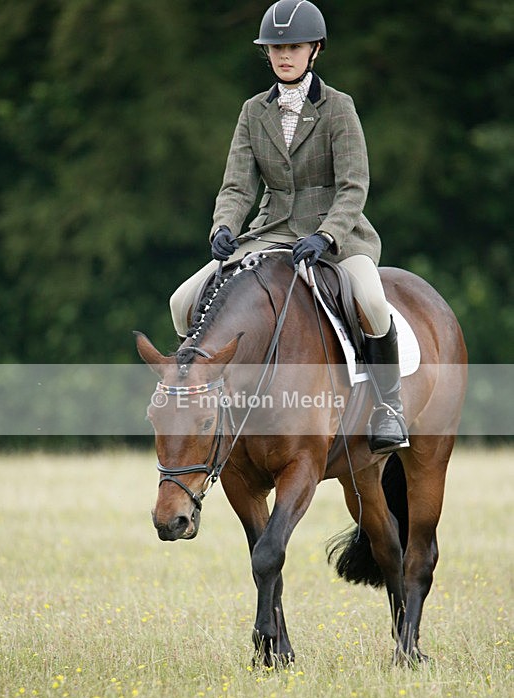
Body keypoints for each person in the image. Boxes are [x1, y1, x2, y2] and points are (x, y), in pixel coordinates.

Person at [169, 0, 408, 454]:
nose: (284, 55)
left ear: (315, 50)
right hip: (269, 231)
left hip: (336, 237)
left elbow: (354, 186)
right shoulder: (253, 111)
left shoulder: (339, 107)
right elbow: (237, 186)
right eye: (275, 47)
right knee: (181, 301)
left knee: (375, 304)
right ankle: (198, 398)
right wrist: (223, 226)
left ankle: (388, 407)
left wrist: (327, 234)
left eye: (294, 46)